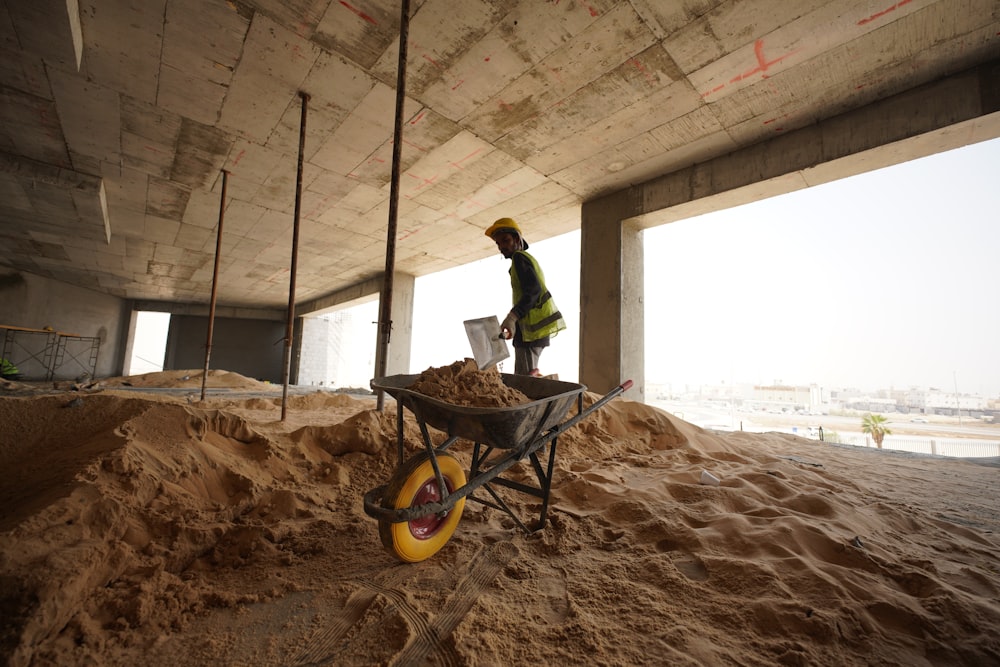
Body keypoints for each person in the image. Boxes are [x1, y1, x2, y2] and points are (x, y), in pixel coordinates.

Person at [485, 217, 566, 376]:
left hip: (532, 333)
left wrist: (513, 317)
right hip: (530, 331)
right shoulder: (524, 261)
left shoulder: (519, 258)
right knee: (527, 375)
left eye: (505, 240)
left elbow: (533, 290)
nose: (501, 247)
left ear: (517, 239)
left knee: (525, 379)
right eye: (498, 243)